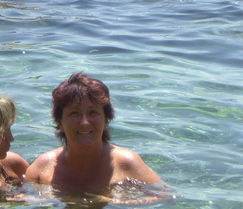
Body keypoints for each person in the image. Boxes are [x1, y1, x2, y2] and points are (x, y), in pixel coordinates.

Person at [25, 72, 163, 197]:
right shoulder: (42, 168)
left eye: (93, 113)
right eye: (74, 113)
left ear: (106, 120)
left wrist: (120, 205)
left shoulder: (126, 163)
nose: (84, 122)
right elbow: (24, 201)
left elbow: (164, 197)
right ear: (60, 121)